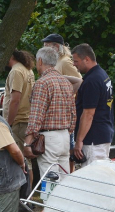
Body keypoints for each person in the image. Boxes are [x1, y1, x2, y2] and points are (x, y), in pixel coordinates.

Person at [24, 47, 76, 176]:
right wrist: (68, 132)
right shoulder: (66, 83)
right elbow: (73, 113)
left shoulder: (42, 83)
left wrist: (27, 142)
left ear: (40, 61)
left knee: (50, 182)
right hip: (65, 136)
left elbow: (36, 116)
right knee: (64, 182)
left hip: (49, 138)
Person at [42, 33, 82, 172]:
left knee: (67, 157)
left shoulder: (64, 61)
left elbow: (79, 80)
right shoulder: (57, 61)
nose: (44, 49)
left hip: (63, 115)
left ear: (56, 46)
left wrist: (67, 97)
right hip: (59, 117)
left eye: (47, 46)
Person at [71, 43, 114, 166]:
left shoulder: (92, 81)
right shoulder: (102, 75)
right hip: (103, 133)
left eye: (76, 61)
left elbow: (88, 114)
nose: (74, 64)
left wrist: (79, 141)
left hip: (93, 139)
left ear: (87, 59)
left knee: (92, 178)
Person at [3, 49, 35, 187]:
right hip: (25, 118)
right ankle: (26, 196)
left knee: (20, 159)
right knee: (26, 161)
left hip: (19, 121)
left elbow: (15, 100)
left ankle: (24, 196)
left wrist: (8, 123)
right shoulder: (27, 70)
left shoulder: (16, 71)